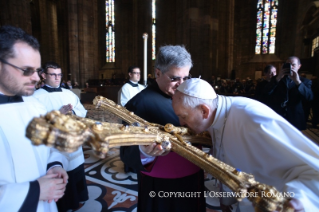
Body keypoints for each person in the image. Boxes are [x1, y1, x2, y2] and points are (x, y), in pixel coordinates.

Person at [171, 78, 319, 212]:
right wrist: (226, 199)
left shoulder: (252, 119)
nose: (181, 123)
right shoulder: (215, 117)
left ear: (204, 110)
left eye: (183, 116)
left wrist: (298, 201)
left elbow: (312, 168)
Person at [120, 45, 206, 212]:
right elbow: (126, 152)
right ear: (158, 73)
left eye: (186, 78)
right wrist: (145, 152)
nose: (182, 85)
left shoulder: (192, 96)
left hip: (193, 178)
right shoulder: (137, 105)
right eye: (175, 79)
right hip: (160, 186)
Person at [0, 25, 68, 212]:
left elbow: (49, 145)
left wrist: (55, 165)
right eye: (26, 70)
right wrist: (34, 191)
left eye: (37, 71)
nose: (36, 78)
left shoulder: (35, 106)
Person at [33, 61, 88, 212]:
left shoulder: (68, 93)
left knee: (76, 169)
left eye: (59, 75)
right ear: (43, 75)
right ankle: (64, 205)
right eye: (53, 75)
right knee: (61, 173)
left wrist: (73, 113)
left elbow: (82, 111)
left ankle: (78, 199)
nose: (57, 78)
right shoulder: (36, 97)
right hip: (54, 143)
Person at [264, 57, 313, 130]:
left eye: (293, 65)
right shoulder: (276, 79)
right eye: (288, 65)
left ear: (299, 66)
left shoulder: (305, 82)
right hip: (278, 117)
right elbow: (266, 92)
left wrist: (298, 82)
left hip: (295, 118)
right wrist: (278, 77)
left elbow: (309, 97)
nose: (291, 67)